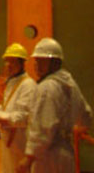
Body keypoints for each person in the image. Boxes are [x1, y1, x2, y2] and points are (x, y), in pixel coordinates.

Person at [17, 37, 92, 173]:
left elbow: (44, 128)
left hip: (48, 156)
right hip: (67, 153)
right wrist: (77, 129)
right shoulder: (70, 83)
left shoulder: (47, 87)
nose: (37, 65)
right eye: (36, 61)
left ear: (55, 62)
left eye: (42, 61)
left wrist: (29, 158)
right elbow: (86, 114)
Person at [0, 43, 36, 173]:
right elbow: (7, 105)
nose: (9, 65)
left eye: (13, 62)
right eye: (7, 61)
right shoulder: (12, 82)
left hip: (20, 140)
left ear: (22, 64)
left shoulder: (28, 85)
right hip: (9, 139)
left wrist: (4, 118)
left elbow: (24, 116)